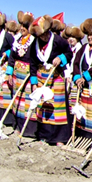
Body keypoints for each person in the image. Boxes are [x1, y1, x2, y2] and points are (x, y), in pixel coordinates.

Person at [29, 15, 73, 146]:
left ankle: (60, 138)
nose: (43, 38)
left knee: (57, 107)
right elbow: (32, 63)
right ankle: (44, 135)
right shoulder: (34, 45)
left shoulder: (58, 41)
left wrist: (61, 58)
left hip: (56, 77)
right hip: (41, 77)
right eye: (40, 36)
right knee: (43, 107)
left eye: (44, 35)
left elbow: (69, 54)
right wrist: (34, 83)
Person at [11, 12, 37, 137]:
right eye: (21, 25)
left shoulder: (33, 41)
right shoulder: (17, 40)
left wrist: (33, 80)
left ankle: (28, 129)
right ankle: (17, 125)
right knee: (17, 100)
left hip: (27, 73)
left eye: (25, 26)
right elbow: (12, 56)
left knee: (27, 101)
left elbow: (34, 61)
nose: (22, 29)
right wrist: (9, 73)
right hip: (17, 73)